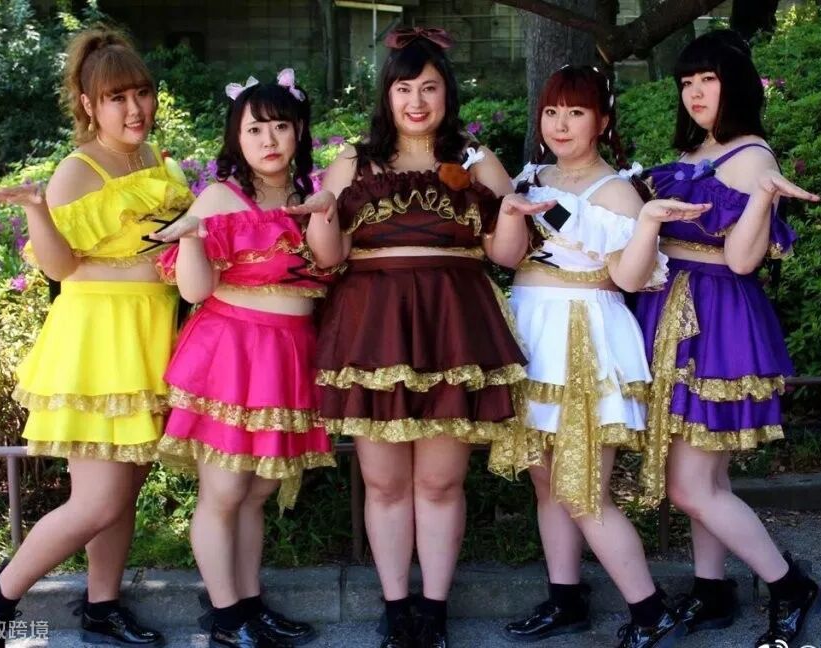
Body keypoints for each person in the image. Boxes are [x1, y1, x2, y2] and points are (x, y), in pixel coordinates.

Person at [293, 26, 555, 648]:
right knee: (384, 483)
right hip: (373, 331)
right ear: (387, 95)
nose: (416, 101)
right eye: (404, 88)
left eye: (429, 88)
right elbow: (328, 257)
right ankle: (395, 608)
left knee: (439, 482)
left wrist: (510, 213)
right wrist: (323, 216)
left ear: (447, 94)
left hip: (453, 329)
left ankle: (433, 611)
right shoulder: (354, 162)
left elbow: (506, 255)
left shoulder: (476, 161)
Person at [0, 28, 193, 647]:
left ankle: (101, 606)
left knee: (124, 491)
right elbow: (60, 268)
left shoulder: (158, 163)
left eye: (142, 93)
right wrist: (36, 210)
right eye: (117, 97)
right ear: (89, 104)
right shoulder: (78, 170)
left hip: (151, 338)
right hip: (98, 344)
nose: (135, 109)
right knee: (97, 500)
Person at [490, 64, 709, 648]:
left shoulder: (615, 191)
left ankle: (650, 612)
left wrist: (648, 225)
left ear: (602, 121)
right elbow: (507, 258)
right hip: (531, 331)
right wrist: (508, 211)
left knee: (583, 486)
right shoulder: (532, 176)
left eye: (576, 112)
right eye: (552, 111)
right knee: (546, 481)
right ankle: (565, 599)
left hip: (584, 335)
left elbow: (631, 279)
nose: (560, 124)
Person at [631, 30, 821, 648]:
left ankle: (790, 585)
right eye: (687, 82)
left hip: (716, 320)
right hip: (672, 308)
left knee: (690, 485)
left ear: (735, 84)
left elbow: (742, 261)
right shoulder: (698, 151)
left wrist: (764, 197)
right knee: (706, 481)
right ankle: (712, 588)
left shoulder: (752, 158)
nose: (694, 92)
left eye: (708, 80)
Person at [150, 70, 335, 648]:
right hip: (232, 352)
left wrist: (326, 211)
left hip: (289, 353)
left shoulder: (311, 196)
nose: (268, 139)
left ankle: (250, 604)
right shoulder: (220, 199)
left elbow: (332, 266)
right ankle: (227, 619)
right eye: (254, 129)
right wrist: (191, 236)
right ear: (237, 137)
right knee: (226, 492)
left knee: (257, 491)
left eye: (280, 126)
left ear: (299, 131)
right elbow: (194, 290)